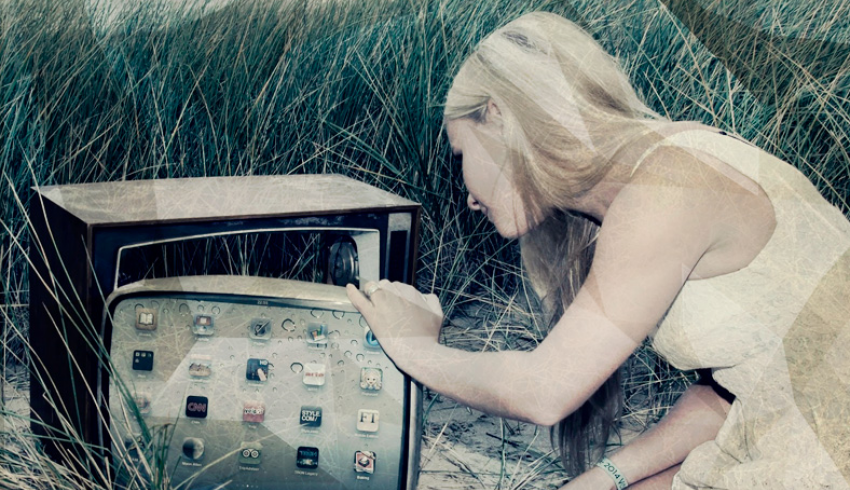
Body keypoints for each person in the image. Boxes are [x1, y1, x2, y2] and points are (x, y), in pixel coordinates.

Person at [346, 11, 850, 490]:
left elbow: (544, 391)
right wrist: (608, 476)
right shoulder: (669, 161)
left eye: (460, 152)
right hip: (791, 440)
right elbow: (730, 393)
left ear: (498, 117)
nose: (467, 197)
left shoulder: (669, 189)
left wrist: (413, 347)